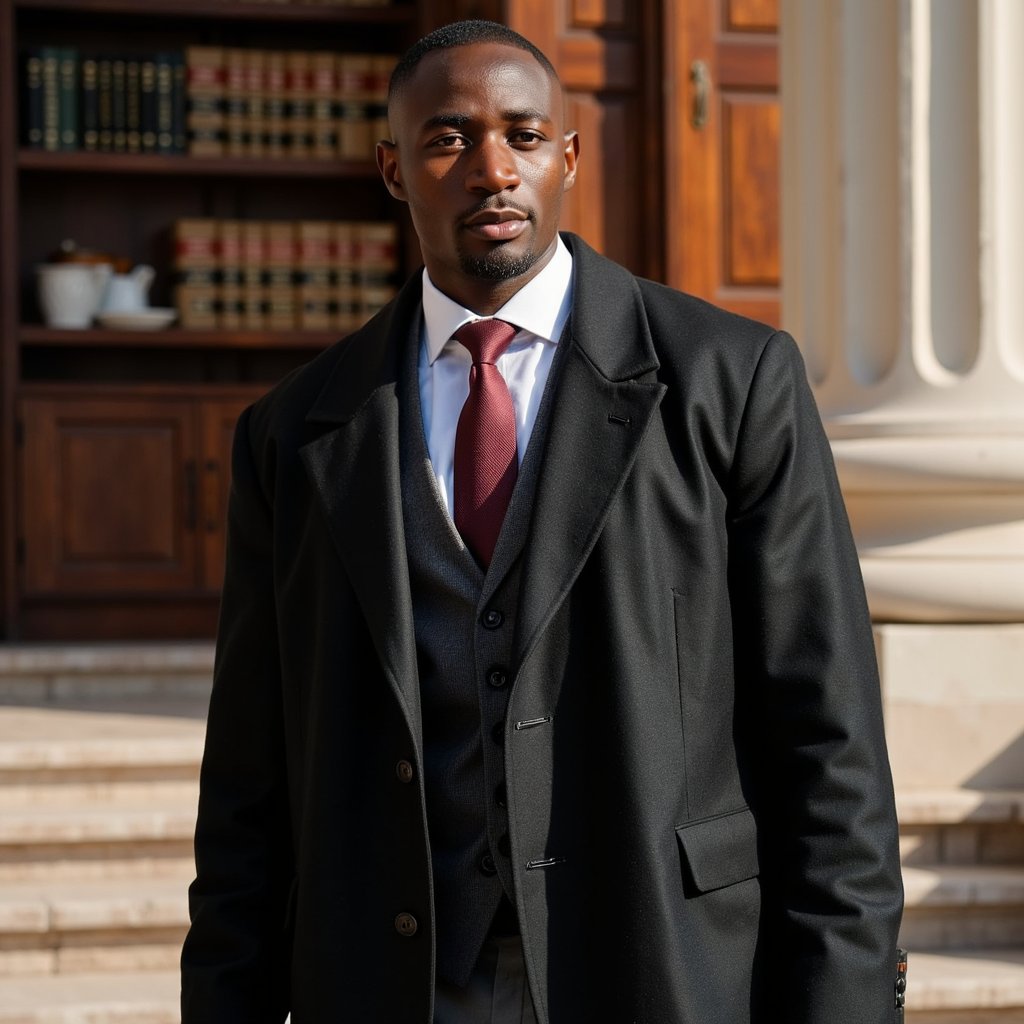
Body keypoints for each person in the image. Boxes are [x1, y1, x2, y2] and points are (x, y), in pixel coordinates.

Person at [180, 19, 904, 1024]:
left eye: (523, 136)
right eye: (447, 139)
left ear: (566, 157)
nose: (491, 169)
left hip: (659, 962)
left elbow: (827, 740)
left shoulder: (730, 382)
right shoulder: (294, 432)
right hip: (393, 982)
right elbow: (249, 785)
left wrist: (847, 1000)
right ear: (392, 169)